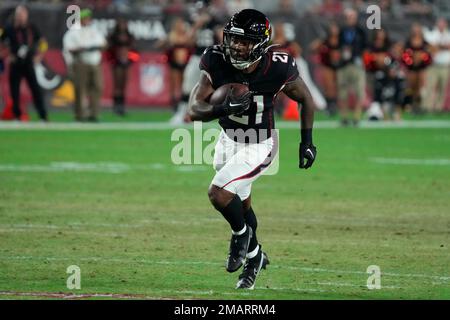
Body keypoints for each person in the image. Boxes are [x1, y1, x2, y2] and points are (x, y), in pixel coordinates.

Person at [188, 9, 317, 289]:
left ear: (259, 44)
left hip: (260, 144)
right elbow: (195, 109)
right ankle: (255, 256)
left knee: (219, 192)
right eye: (234, 39)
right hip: (227, 141)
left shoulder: (278, 65)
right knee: (241, 205)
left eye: (244, 42)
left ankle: (240, 236)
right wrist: (221, 108)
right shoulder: (216, 59)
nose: (236, 46)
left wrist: (306, 142)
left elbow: (306, 99)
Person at [170, 0, 225, 125]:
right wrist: (197, 25)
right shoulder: (194, 22)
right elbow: (187, 42)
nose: (201, 13)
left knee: (214, 88)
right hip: (197, 56)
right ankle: (181, 114)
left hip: (212, 58)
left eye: (203, 10)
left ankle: (213, 115)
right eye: (199, 10)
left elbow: (223, 39)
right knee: (188, 85)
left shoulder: (215, 21)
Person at [0, 5, 47, 121]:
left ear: (26, 15)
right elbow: (1, 44)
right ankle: (16, 115)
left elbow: (43, 43)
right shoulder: (9, 28)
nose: (20, 17)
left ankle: (43, 116)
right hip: (15, 63)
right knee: (14, 91)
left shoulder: (32, 28)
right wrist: (7, 55)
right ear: (15, 16)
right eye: (18, 15)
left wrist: (39, 56)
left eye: (22, 15)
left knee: (36, 90)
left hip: (28, 63)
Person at [63, 8, 106, 122]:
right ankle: (80, 114)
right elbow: (69, 48)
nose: (88, 20)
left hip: (94, 62)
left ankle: (94, 114)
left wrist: (92, 47)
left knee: (97, 87)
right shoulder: (73, 32)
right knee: (80, 89)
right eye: (85, 18)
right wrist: (82, 49)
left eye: (89, 18)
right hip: (80, 62)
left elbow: (103, 44)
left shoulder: (94, 30)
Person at [336, 8, 367, 126]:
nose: (350, 20)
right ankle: (344, 116)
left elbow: (365, 47)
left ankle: (357, 116)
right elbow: (338, 45)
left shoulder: (360, 31)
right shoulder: (342, 31)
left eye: (352, 17)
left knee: (359, 90)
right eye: (348, 17)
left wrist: (359, 56)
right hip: (344, 64)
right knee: (343, 91)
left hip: (356, 63)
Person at [106, 18, 136, 116]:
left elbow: (134, 49)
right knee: (117, 85)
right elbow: (109, 49)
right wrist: (114, 59)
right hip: (117, 61)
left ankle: (122, 106)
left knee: (123, 84)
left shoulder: (129, 36)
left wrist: (130, 59)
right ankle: (116, 105)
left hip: (126, 61)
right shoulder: (113, 36)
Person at [401, 23, 432, 114]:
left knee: (420, 88)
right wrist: (412, 59)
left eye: (418, 30)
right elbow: (404, 54)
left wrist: (421, 57)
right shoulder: (408, 42)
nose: (417, 32)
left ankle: (418, 106)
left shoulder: (424, 42)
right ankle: (409, 105)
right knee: (411, 87)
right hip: (411, 68)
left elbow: (429, 52)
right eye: (415, 30)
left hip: (421, 68)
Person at [422, 18, 450, 112]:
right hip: (433, 65)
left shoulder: (448, 34)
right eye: (440, 23)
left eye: (443, 23)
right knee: (430, 86)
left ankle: (439, 108)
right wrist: (443, 47)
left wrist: (438, 47)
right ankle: (427, 107)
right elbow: (430, 47)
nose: (441, 25)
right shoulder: (432, 34)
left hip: (445, 65)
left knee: (442, 88)